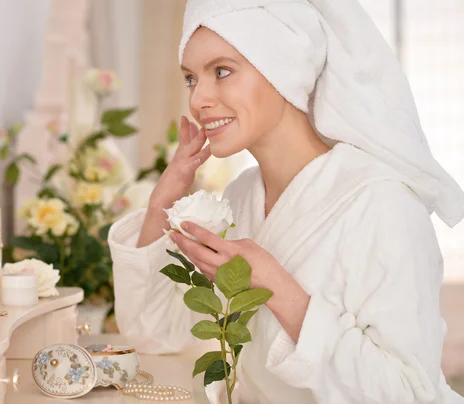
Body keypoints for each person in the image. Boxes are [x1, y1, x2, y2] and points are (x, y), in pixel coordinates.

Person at [108, 0, 464, 402]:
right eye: (191, 78)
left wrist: (277, 286)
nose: (198, 99)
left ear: (284, 69)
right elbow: (154, 333)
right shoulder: (242, 198)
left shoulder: (382, 204)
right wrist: (162, 203)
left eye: (222, 71)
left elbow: (409, 393)